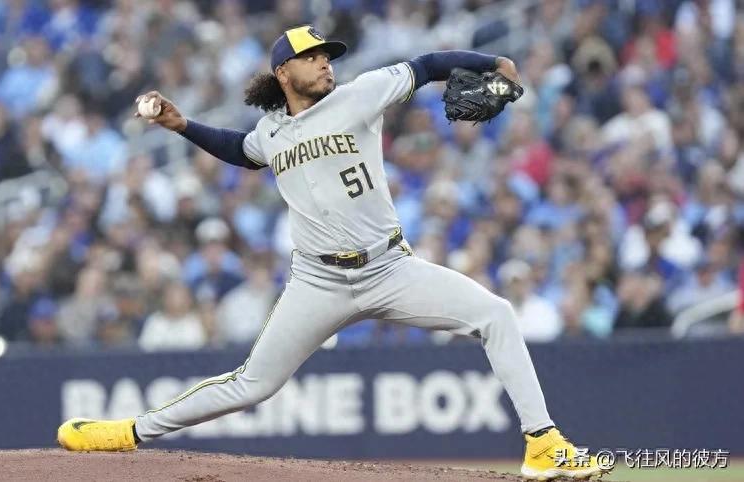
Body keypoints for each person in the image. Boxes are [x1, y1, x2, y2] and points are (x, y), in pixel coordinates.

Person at [57, 25, 607, 480]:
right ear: (283, 72)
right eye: (311, 57)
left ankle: (543, 444)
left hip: (390, 267)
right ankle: (131, 431)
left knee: (496, 314)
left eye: (326, 55)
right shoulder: (271, 132)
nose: (324, 63)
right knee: (252, 384)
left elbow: (428, 63)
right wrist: (182, 126)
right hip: (317, 283)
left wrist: (495, 62)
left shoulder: (361, 94)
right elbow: (241, 150)